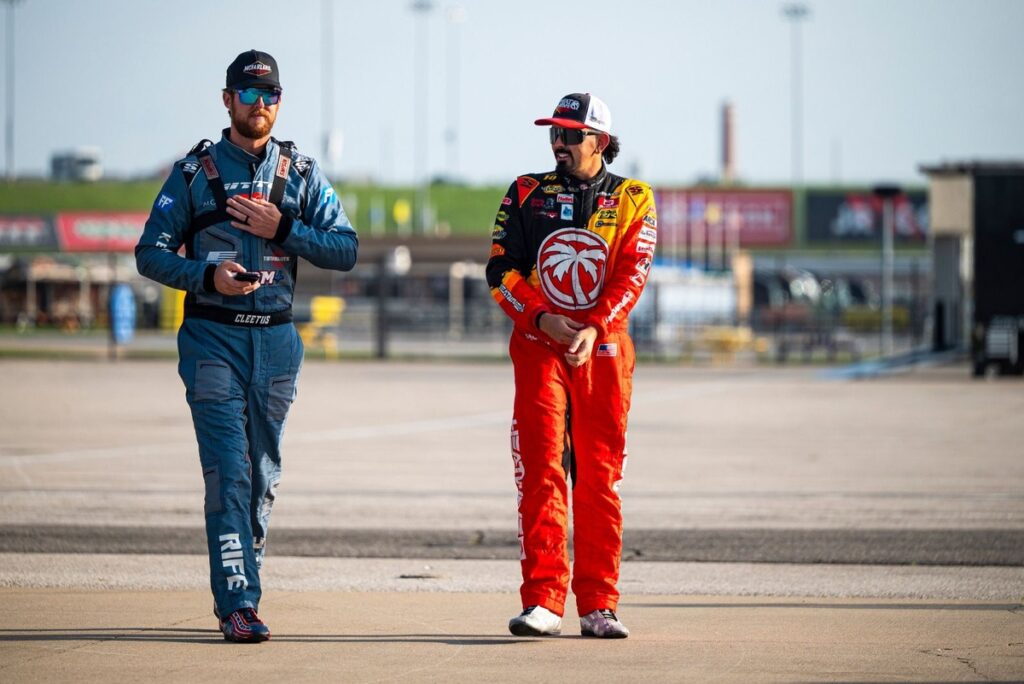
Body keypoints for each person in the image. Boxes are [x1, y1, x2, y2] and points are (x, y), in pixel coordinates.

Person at [135, 49, 358, 643]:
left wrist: (281, 227)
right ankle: (238, 602)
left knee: (261, 475)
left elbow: (346, 249)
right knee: (229, 473)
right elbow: (149, 253)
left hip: (278, 344)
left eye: (270, 95)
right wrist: (208, 276)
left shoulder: (300, 172)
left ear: (279, 102)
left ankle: (243, 584)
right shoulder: (193, 173)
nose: (260, 104)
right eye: (249, 94)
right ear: (227, 99)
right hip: (212, 339)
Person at [486, 93, 657, 639]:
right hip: (540, 346)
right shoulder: (525, 191)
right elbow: (499, 270)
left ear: (599, 141)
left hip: (604, 352)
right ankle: (543, 602)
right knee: (540, 471)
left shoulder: (634, 197)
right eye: (553, 133)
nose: (558, 143)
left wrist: (595, 327)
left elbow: (634, 272)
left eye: (570, 134)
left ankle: (599, 605)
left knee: (600, 478)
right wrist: (542, 319)